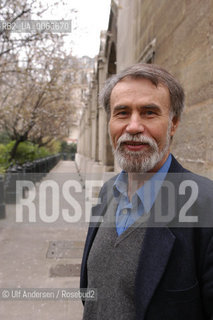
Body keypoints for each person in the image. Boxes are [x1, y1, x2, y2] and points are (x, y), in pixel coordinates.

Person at [80, 63, 213, 320]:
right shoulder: (108, 193)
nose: (133, 127)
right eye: (122, 113)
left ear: (173, 124)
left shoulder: (205, 206)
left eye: (149, 113)